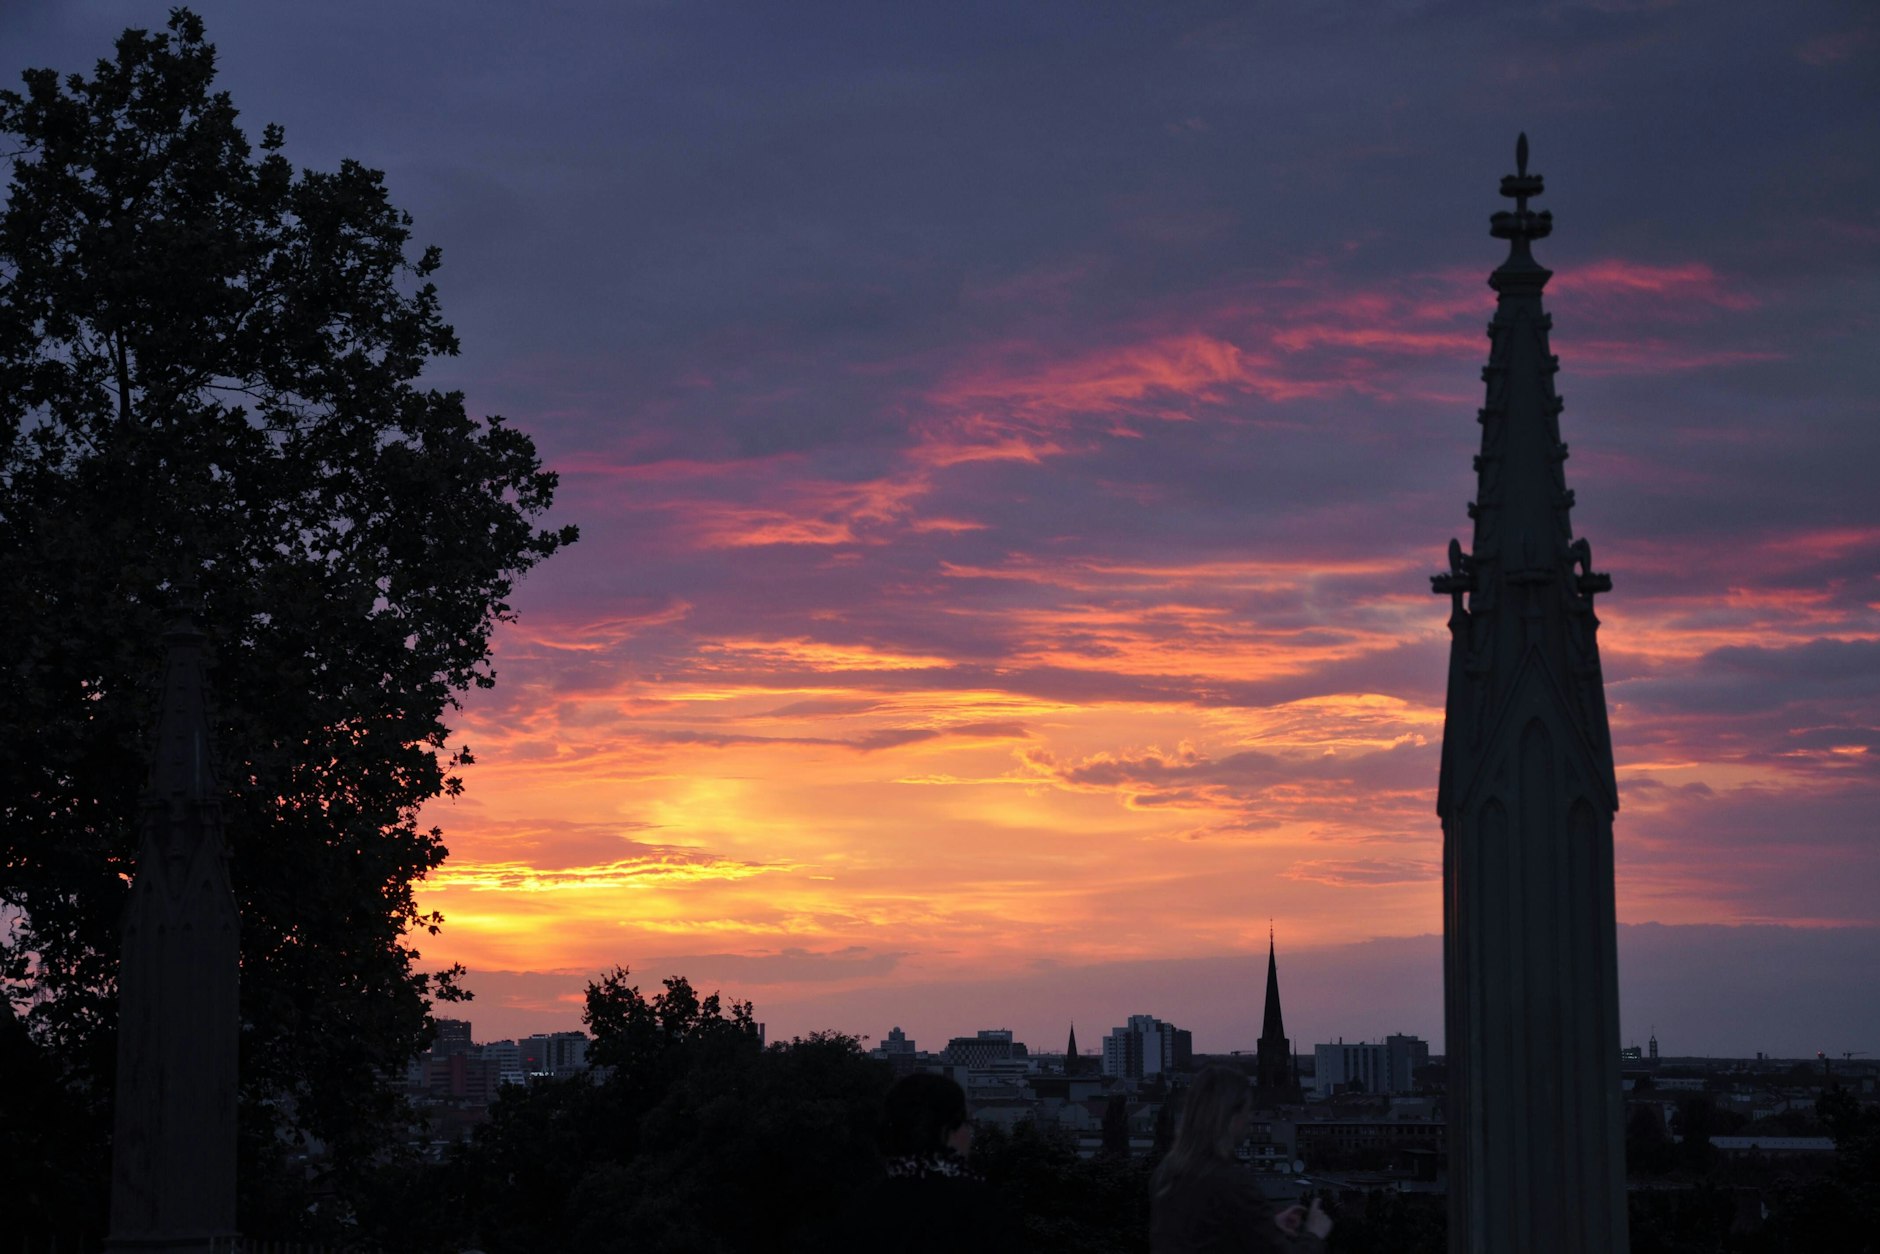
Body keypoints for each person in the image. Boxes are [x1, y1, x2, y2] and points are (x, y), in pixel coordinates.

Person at [828, 1072, 1017, 1253]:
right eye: (965, 1123)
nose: (970, 1134)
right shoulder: (978, 1203)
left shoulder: (863, 1202)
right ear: (946, 1131)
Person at [1151, 1066, 1332, 1253]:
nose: (1250, 1119)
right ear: (1231, 1116)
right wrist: (1314, 1233)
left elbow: (1208, 1235)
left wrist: (1268, 1224)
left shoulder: (1166, 1171)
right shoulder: (1231, 1181)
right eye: (1247, 1110)